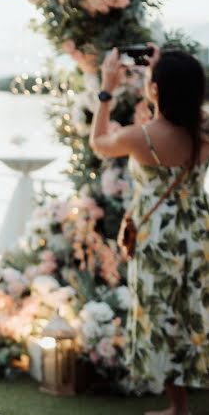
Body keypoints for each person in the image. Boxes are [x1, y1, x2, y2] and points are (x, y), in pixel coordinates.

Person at [89, 42, 209, 415]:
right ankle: (181, 407)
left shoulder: (139, 138)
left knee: (163, 314)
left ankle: (178, 406)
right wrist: (167, 73)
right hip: (197, 234)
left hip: (157, 239)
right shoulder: (203, 130)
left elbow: (97, 142)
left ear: (154, 88)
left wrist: (107, 88)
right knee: (195, 311)